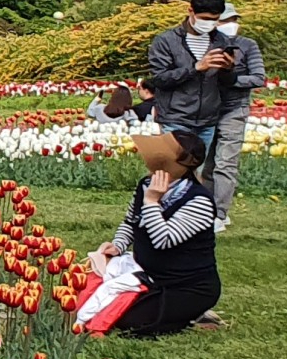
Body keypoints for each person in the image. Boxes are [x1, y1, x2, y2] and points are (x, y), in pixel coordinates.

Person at [85, 131, 219, 335]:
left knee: (127, 320)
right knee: (92, 293)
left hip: (186, 285)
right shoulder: (145, 185)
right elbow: (131, 221)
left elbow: (162, 240)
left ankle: (193, 313)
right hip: (147, 273)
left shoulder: (199, 201)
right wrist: (118, 245)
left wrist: (151, 201)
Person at [147, 0, 233, 162]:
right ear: (191, 11)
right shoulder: (167, 41)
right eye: (204, 19)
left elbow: (227, 83)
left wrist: (228, 69)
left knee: (196, 169)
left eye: (214, 19)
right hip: (176, 117)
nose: (209, 24)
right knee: (175, 168)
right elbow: (160, 79)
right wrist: (196, 68)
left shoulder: (221, 41)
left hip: (207, 119)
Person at [209, 2, 265, 231]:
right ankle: (205, 211)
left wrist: (233, 80)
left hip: (234, 110)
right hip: (207, 110)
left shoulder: (247, 45)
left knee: (225, 163)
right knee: (205, 165)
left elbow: (258, 78)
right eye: (224, 21)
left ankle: (220, 214)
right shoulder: (204, 44)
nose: (230, 25)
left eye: (233, 20)